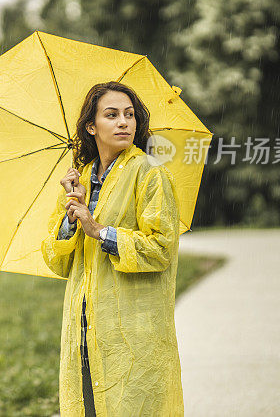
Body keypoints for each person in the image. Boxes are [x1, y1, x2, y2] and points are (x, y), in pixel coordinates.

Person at [41, 81, 184, 416]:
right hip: (84, 326)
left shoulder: (149, 173)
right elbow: (56, 260)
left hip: (134, 330)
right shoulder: (78, 180)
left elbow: (161, 248)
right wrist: (71, 219)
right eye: (112, 114)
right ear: (91, 127)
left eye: (130, 115)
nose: (124, 122)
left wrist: (99, 230)